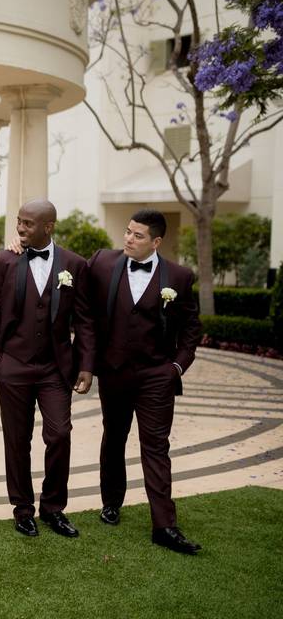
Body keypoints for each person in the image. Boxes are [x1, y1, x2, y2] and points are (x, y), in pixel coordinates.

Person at [87, 209, 202, 554]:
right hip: (114, 372)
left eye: (138, 236)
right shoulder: (103, 263)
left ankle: (164, 525)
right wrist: (21, 244)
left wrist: (177, 368)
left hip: (156, 376)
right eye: (127, 231)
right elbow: (62, 265)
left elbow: (192, 330)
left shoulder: (180, 277)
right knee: (114, 438)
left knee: (156, 446)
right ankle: (111, 502)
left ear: (156, 241)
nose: (128, 239)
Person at [0, 199, 95, 539]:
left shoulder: (74, 265)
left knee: (60, 434)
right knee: (17, 440)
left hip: (55, 368)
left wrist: (87, 365)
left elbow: (86, 321)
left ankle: (53, 508)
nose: (20, 228)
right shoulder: (5, 261)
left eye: (28, 223)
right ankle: (23, 510)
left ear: (49, 227)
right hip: (13, 366)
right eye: (19, 222)